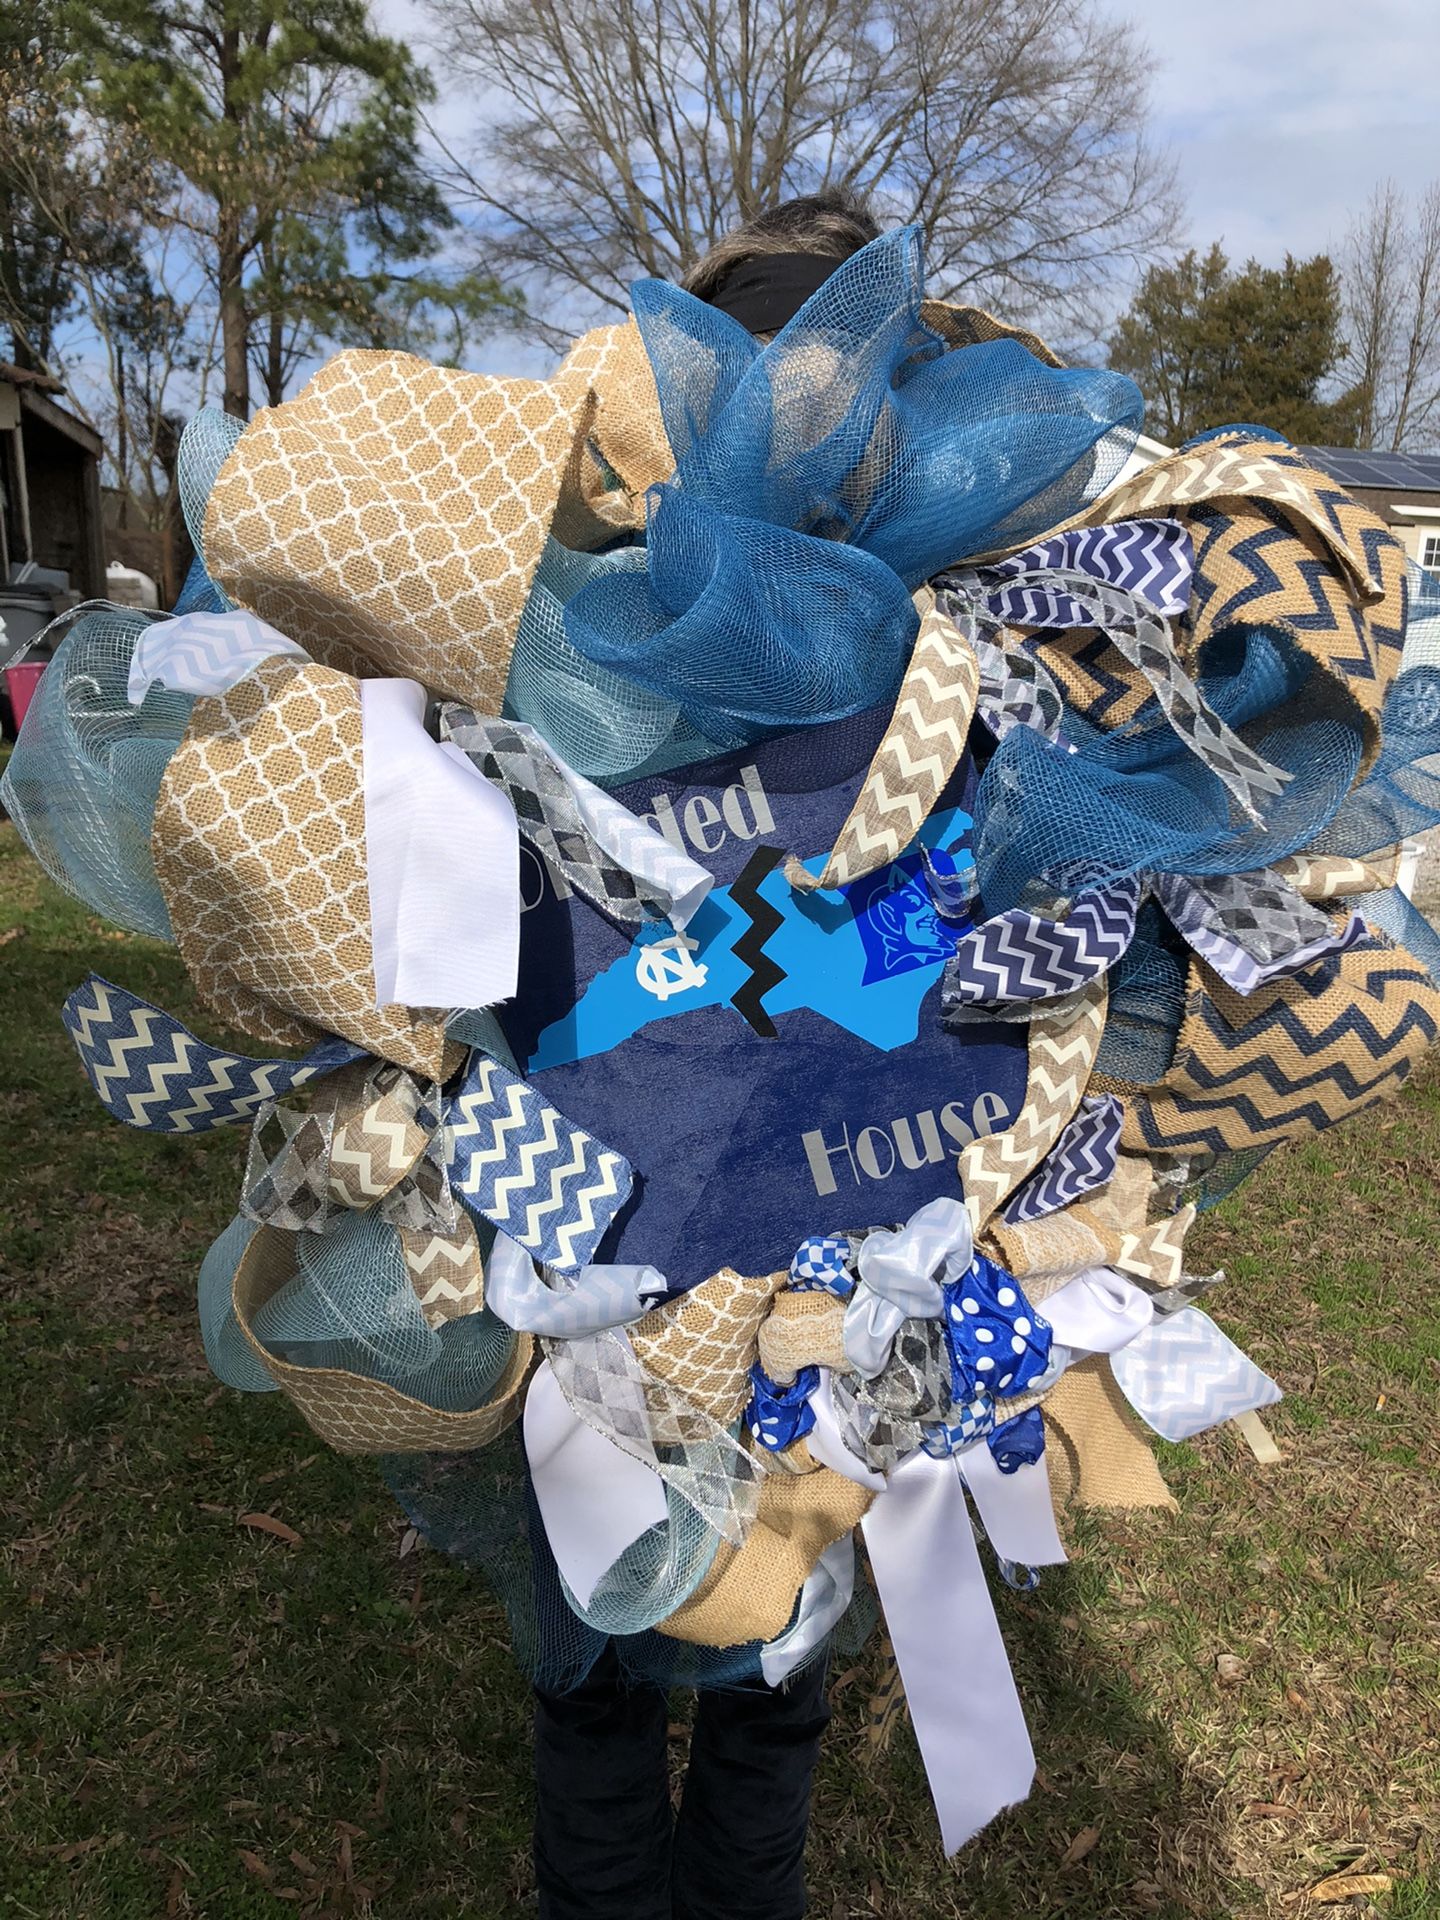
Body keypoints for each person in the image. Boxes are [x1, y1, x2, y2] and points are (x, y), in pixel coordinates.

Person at [529, 188, 882, 1920]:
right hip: (797, 1189)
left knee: (612, 1632)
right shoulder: (928, 604)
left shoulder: (583, 597)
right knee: (764, 1627)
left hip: (631, 1185)